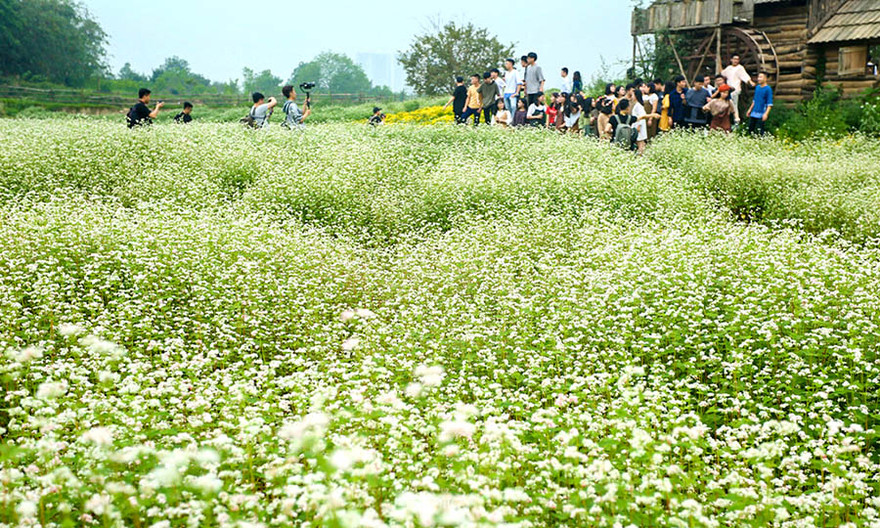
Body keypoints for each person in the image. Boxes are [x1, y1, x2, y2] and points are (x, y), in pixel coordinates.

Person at [722, 55, 755, 125]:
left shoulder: (740, 68)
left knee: (734, 104)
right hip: (728, 90)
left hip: (735, 89)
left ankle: (736, 120)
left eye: (737, 59)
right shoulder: (729, 68)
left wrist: (750, 82)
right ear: (731, 60)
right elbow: (722, 73)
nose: (735, 61)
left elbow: (745, 76)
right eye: (734, 59)